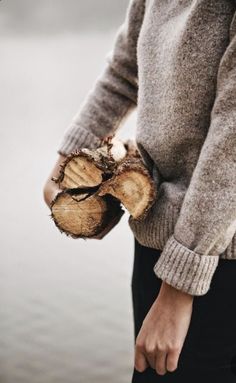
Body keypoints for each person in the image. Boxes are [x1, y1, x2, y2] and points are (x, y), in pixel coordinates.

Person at [43, 0, 236, 381]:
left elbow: (232, 139)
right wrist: (66, 163)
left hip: (218, 261)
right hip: (155, 244)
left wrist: (179, 289)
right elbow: (124, 71)